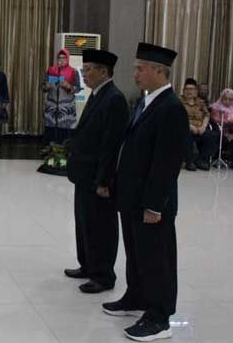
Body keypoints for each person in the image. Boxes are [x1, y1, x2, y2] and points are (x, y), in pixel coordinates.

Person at [103, 43, 188, 342]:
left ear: (158, 71)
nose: (135, 74)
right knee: (137, 254)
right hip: (132, 197)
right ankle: (136, 296)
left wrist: (154, 206)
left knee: (156, 259)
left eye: (140, 68)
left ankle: (159, 317)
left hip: (152, 203)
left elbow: (167, 163)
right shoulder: (146, 102)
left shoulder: (171, 108)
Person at [64, 50, 128, 294]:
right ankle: (88, 265)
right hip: (85, 175)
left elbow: (111, 145)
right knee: (84, 223)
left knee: (101, 227)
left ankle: (103, 275)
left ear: (103, 71)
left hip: (99, 178)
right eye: (83, 69)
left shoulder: (114, 99)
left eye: (88, 69)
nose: (84, 73)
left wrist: (104, 180)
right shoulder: (97, 94)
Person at [42, 48, 81, 144]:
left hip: (66, 109)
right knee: (51, 131)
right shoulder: (51, 70)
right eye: (60, 58)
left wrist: (69, 86)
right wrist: (46, 86)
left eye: (64, 58)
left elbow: (78, 89)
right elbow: (43, 87)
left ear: (68, 59)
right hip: (52, 107)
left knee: (65, 132)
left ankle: (64, 150)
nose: (62, 60)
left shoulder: (73, 71)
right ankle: (50, 149)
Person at [180, 78, 216, 171]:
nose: (189, 91)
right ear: (183, 90)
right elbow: (177, 117)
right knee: (186, 134)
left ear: (196, 91)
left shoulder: (200, 102)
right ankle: (189, 161)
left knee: (212, 135)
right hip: (185, 128)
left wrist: (203, 126)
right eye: (187, 89)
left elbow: (207, 115)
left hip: (200, 129)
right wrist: (190, 127)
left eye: (192, 89)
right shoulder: (179, 101)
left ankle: (202, 160)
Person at [210, 88, 233, 156]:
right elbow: (215, 120)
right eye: (225, 98)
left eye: (230, 99)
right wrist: (228, 121)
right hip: (220, 130)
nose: (227, 101)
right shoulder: (216, 107)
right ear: (221, 98)